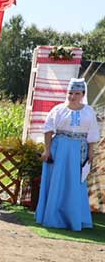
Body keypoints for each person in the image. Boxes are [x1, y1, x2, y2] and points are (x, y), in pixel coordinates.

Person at [36, 78, 100, 230]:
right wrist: (47, 149)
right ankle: (53, 217)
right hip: (60, 148)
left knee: (75, 184)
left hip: (79, 150)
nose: (72, 96)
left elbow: (92, 134)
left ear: (83, 94)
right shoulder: (58, 110)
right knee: (57, 182)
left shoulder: (89, 112)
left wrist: (91, 153)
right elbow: (48, 130)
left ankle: (73, 218)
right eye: (70, 93)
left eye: (76, 93)